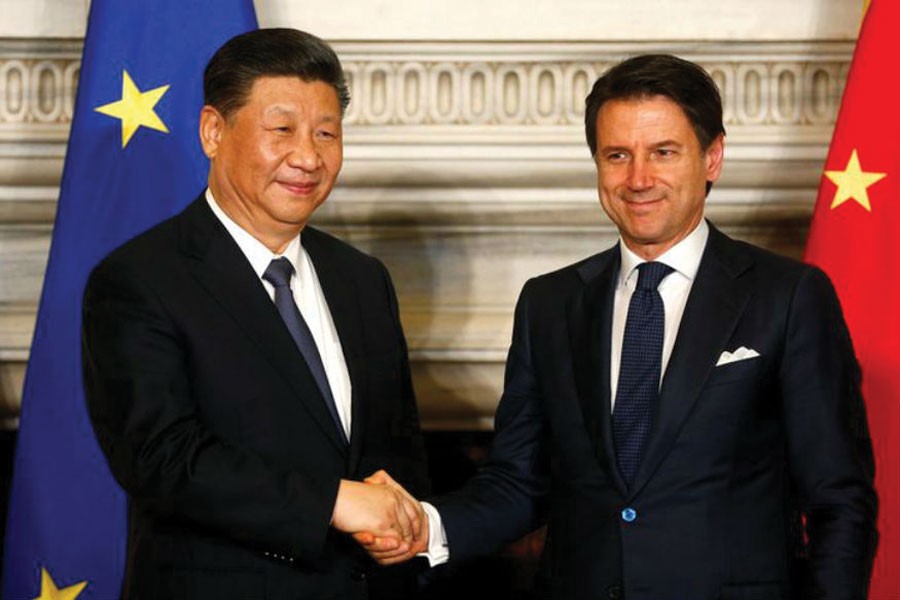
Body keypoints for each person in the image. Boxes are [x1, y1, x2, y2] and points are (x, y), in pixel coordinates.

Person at [362, 54, 879, 599]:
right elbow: (518, 482)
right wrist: (427, 526)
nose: (638, 179)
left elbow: (838, 502)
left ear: (712, 157)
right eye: (617, 155)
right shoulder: (549, 303)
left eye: (663, 152)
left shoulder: (789, 296)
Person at [81, 28, 429, 599]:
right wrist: (335, 501)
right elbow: (162, 459)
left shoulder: (362, 279)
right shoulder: (140, 279)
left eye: (326, 133)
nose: (308, 157)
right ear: (213, 131)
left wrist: (403, 519)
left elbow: (398, 450)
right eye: (282, 130)